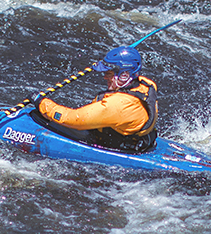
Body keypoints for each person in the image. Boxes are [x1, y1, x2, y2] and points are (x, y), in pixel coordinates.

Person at [29, 45, 159, 154]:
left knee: (44, 118)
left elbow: (74, 119)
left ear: (124, 76)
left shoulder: (117, 106)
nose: (105, 77)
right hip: (141, 140)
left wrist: (41, 102)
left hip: (116, 144)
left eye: (109, 73)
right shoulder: (146, 84)